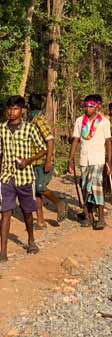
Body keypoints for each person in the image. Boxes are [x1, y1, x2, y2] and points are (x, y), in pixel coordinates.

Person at [0, 96, 48, 260]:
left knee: (27, 211)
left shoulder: (29, 128)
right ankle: (3, 251)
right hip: (7, 176)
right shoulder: (2, 129)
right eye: (9, 108)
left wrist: (29, 160)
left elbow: (43, 149)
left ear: (21, 110)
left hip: (25, 177)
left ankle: (31, 239)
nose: (12, 112)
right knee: (5, 212)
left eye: (15, 109)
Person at [67, 95, 112, 230]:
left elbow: (108, 142)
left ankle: (101, 218)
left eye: (91, 106)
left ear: (96, 107)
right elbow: (75, 140)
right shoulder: (80, 121)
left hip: (98, 159)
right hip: (84, 159)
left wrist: (109, 162)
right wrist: (70, 160)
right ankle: (88, 216)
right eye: (86, 106)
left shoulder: (104, 122)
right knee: (85, 188)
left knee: (96, 187)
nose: (88, 108)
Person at [27, 93, 67, 226]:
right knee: (35, 191)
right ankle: (40, 221)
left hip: (43, 160)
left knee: (40, 187)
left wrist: (49, 160)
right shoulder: (30, 119)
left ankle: (59, 203)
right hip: (33, 160)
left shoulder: (39, 119)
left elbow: (49, 140)